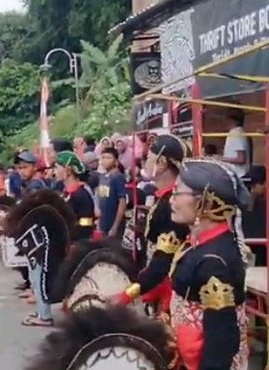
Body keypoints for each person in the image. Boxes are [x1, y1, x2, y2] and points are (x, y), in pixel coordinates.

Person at [165, 159, 250, 370]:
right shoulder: (201, 245)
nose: (171, 200)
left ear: (205, 202)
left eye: (178, 193)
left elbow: (221, 341)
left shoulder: (214, 262)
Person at [118, 134, 191, 315]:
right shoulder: (163, 198)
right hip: (156, 279)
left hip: (168, 287)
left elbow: (162, 264)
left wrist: (127, 295)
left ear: (162, 163)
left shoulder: (172, 205)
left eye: (149, 157)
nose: (144, 161)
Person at [13, 150, 52, 327]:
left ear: (34, 167)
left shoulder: (36, 187)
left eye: (25, 167)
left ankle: (44, 316)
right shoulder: (31, 185)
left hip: (38, 235)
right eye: (19, 167)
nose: (22, 171)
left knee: (38, 276)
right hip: (34, 235)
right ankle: (41, 311)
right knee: (34, 275)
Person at [54, 151, 95, 239]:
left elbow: (86, 223)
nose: (54, 172)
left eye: (57, 168)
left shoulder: (81, 194)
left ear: (68, 170)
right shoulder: (64, 192)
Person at [97, 147, 127, 238]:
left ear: (116, 161)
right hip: (103, 224)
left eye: (108, 158)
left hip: (113, 225)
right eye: (103, 157)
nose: (105, 160)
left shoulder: (118, 177)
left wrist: (115, 226)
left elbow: (122, 202)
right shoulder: (102, 177)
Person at [243, 165, 266, 265]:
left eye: (254, 185)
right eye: (250, 186)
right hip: (254, 246)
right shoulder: (250, 202)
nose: (252, 190)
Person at [221, 108, 251, 178]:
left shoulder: (236, 133)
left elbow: (241, 159)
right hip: (236, 174)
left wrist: (221, 159)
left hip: (238, 175)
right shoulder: (238, 132)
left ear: (230, 120)